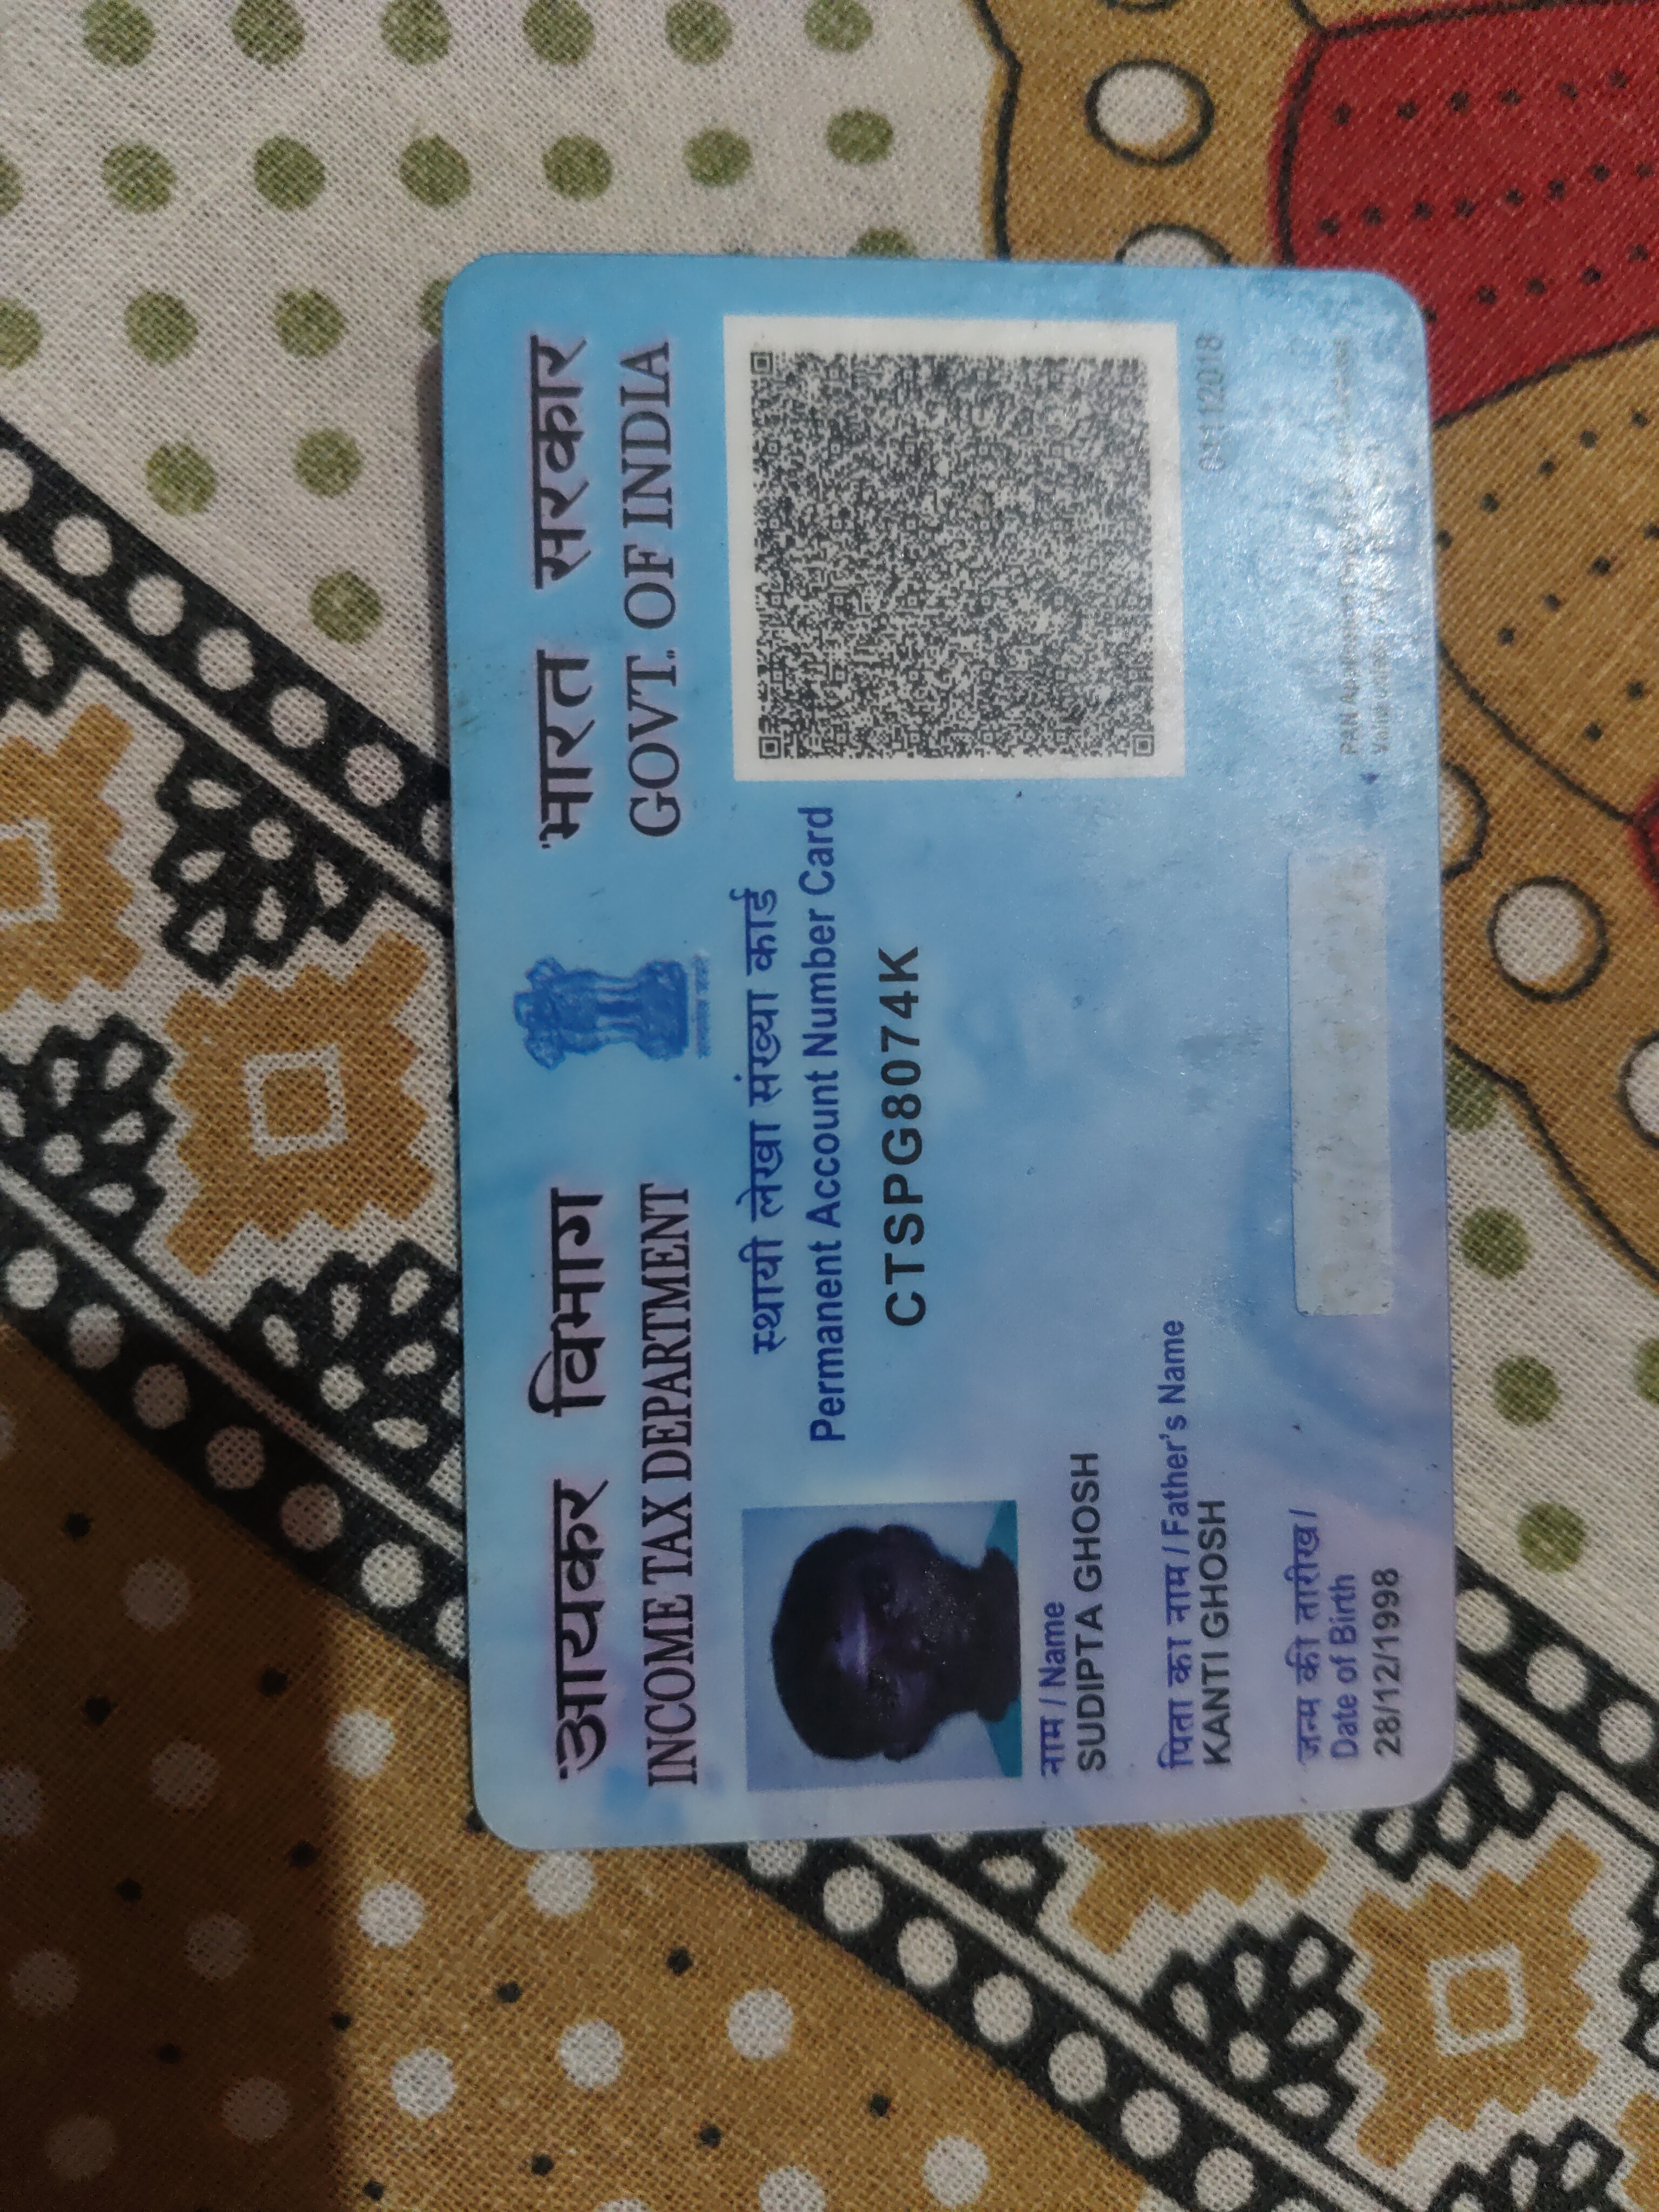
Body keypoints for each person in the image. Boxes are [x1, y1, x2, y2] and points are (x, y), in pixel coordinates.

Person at [770, 1506, 1020, 1773]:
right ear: (908, 1744)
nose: (913, 1642)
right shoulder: (1029, 1760)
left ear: (905, 1537)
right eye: (882, 1689)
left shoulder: (1029, 1516)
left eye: (883, 1593)